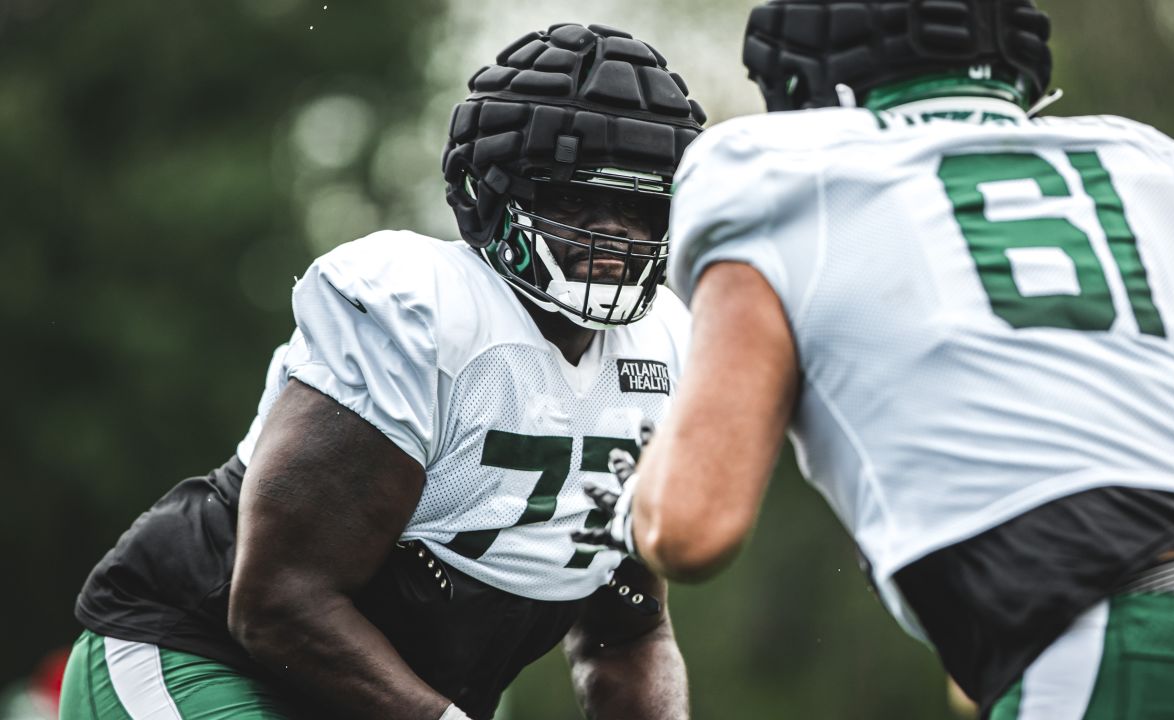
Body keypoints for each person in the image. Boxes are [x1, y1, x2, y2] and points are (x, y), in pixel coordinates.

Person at [574, 1, 1174, 718]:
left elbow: (694, 528)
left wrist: (635, 506)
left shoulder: (779, 176)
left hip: (1104, 647)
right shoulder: (1132, 171)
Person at [63, 22, 705, 720]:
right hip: (204, 654)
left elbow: (626, 630)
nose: (613, 233)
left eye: (639, 206)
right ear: (489, 192)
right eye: (575, 198)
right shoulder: (422, 313)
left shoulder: (666, 347)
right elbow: (281, 602)